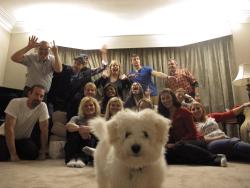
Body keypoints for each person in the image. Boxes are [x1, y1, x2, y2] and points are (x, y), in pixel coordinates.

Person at [158, 88, 227, 166]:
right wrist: (166, 145)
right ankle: (191, 159)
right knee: (165, 155)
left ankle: (215, 158)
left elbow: (193, 134)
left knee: (180, 147)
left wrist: (176, 144)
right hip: (177, 146)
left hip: (192, 142)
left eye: (168, 97)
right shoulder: (162, 116)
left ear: (173, 98)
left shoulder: (184, 112)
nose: (165, 100)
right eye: (163, 98)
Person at [47, 45, 108, 112]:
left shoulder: (86, 73)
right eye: (75, 62)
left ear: (84, 65)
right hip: (58, 101)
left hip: (74, 104)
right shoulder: (65, 68)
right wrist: (55, 53)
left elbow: (103, 67)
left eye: (78, 64)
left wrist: (104, 54)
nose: (75, 65)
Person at [0, 85, 49, 161]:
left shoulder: (42, 106)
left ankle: (13, 151)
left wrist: (42, 152)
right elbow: (9, 128)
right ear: (29, 94)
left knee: (33, 153)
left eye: (41, 96)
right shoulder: (15, 102)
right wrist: (13, 154)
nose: (38, 98)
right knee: (2, 156)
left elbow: (44, 130)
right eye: (36, 94)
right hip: (4, 136)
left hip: (22, 139)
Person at [64, 97, 100, 167]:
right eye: (85, 106)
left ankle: (82, 159)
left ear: (95, 107)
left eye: (91, 105)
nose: (88, 107)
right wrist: (80, 129)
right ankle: (72, 158)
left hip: (92, 146)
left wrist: (87, 129)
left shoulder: (99, 119)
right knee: (74, 133)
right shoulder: (76, 118)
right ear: (82, 108)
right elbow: (68, 126)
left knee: (90, 136)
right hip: (76, 144)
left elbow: (101, 132)